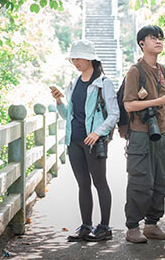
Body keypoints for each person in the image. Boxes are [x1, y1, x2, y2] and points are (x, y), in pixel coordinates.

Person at [51, 39, 119, 242]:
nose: (75, 61)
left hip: (93, 142)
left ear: (90, 59)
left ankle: (105, 228)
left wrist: (98, 133)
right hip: (74, 141)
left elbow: (114, 114)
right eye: (73, 58)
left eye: (79, 58)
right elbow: (68, 115)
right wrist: (58, 101)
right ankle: (86, 226)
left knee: (100, 182)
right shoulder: (73, 83)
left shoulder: (103, 83)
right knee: (82, 184)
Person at [123, 25, 165, 243]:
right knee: (140, 182)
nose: (158, 41)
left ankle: (152, 225)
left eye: (161, 38)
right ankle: (132, 228)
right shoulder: (135, 71)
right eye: (153, 38)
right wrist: (158, 102)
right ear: (141, 43)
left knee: (161, 180)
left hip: (163, 134)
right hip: (140, 134)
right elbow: (128, 105)